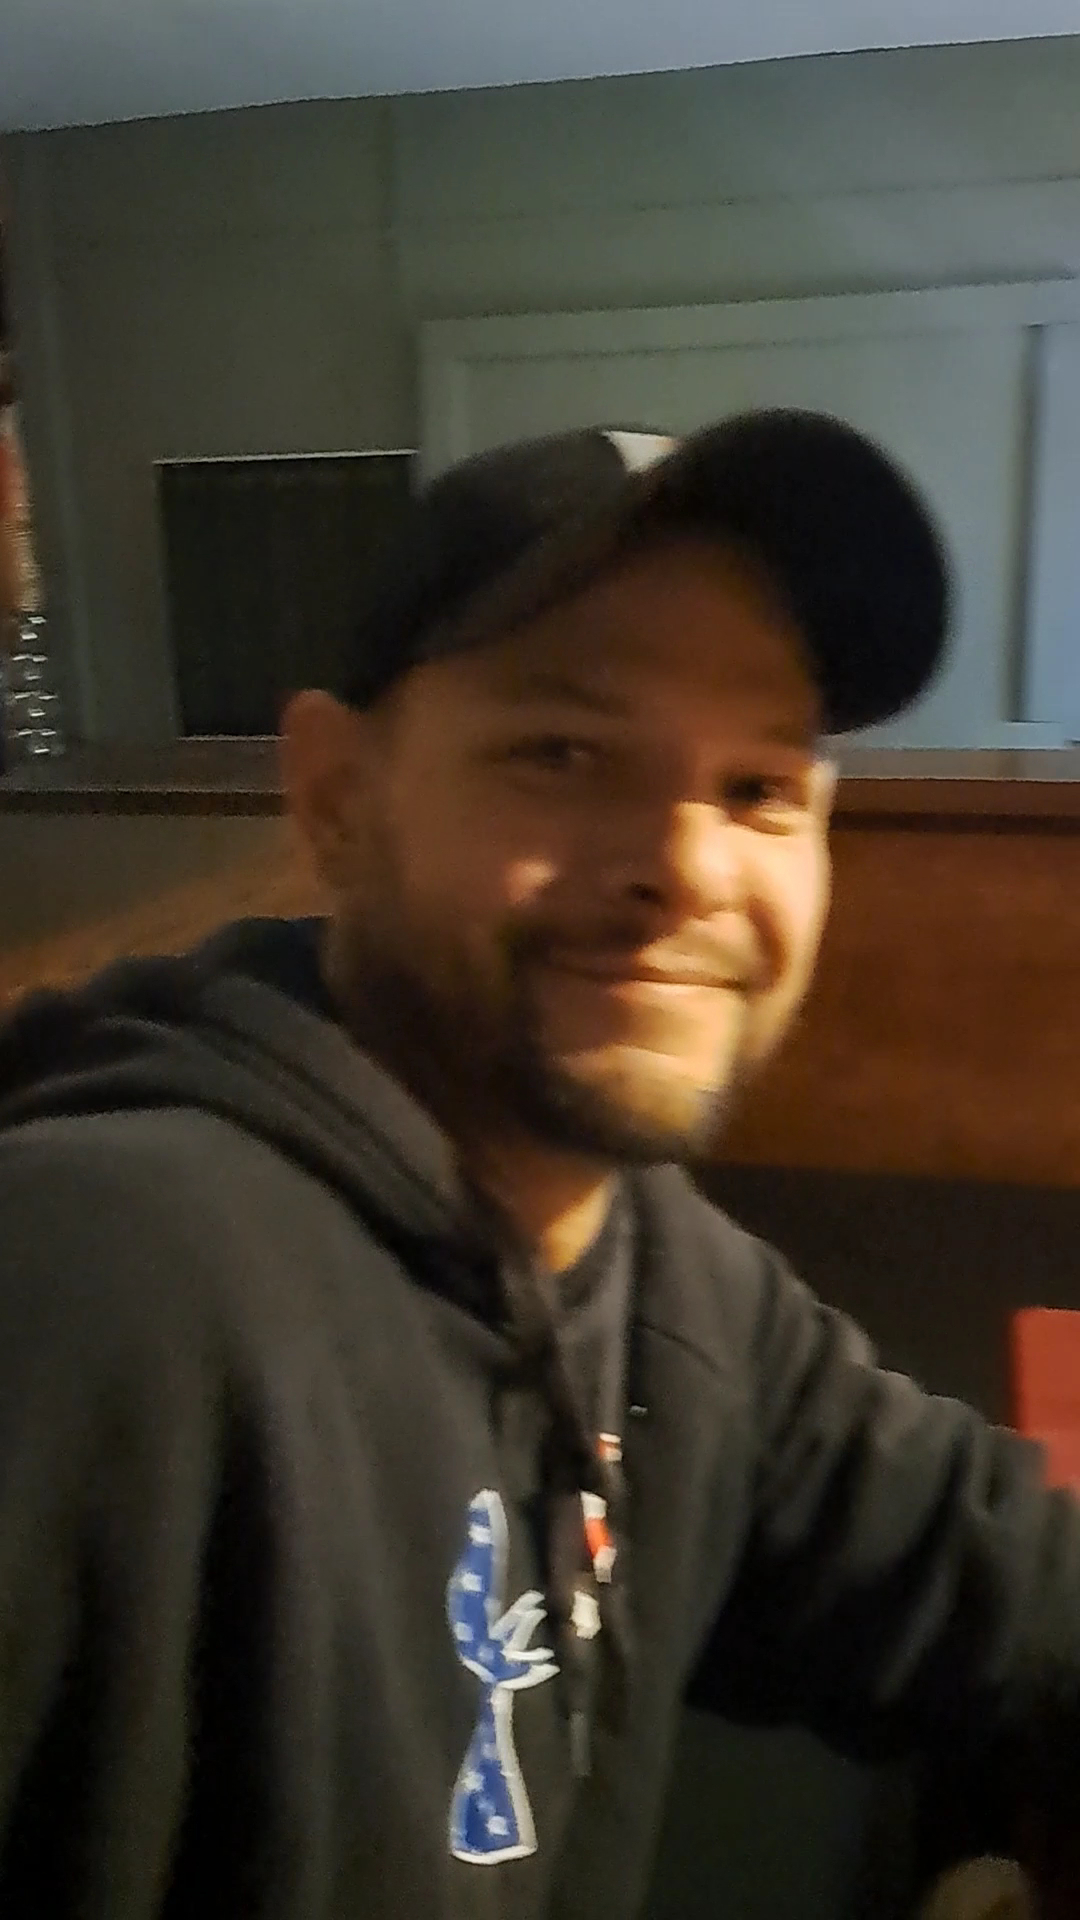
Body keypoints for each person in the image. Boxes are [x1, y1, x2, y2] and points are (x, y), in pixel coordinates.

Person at [0, 410, 1076, 1920]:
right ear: (337, 800)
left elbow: (1002, 1583)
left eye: (759, 787)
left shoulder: (665, 1281)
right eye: (560, 752)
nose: (686, 867)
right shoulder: (99, 1288)